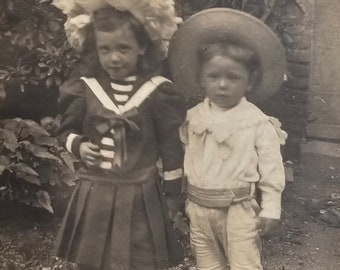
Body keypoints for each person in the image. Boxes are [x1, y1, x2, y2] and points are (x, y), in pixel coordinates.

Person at [52, 1, 185, 270]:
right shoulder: (85, 88)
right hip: (96, 190)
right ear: (95, 49)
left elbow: (171, 148)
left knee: (139, 259)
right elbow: (64, 131)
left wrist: (172, 196)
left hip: (139, 192)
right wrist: (79, 145)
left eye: (123, 48)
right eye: (105, 49)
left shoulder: (157, 93)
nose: (114, 58)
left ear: (142, 47)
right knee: (92, 257)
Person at [168, 8, 287, 270]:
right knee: (207, 263)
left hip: (238, 211)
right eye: (214, 76)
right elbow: (176, 153)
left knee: (244, 263)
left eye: (233, 78)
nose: (222, 85)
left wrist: (271, 209)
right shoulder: (192, 118)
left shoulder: (256, 122)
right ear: (201, 78)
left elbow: (271, 169)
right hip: (198, 209)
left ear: (249, 82)